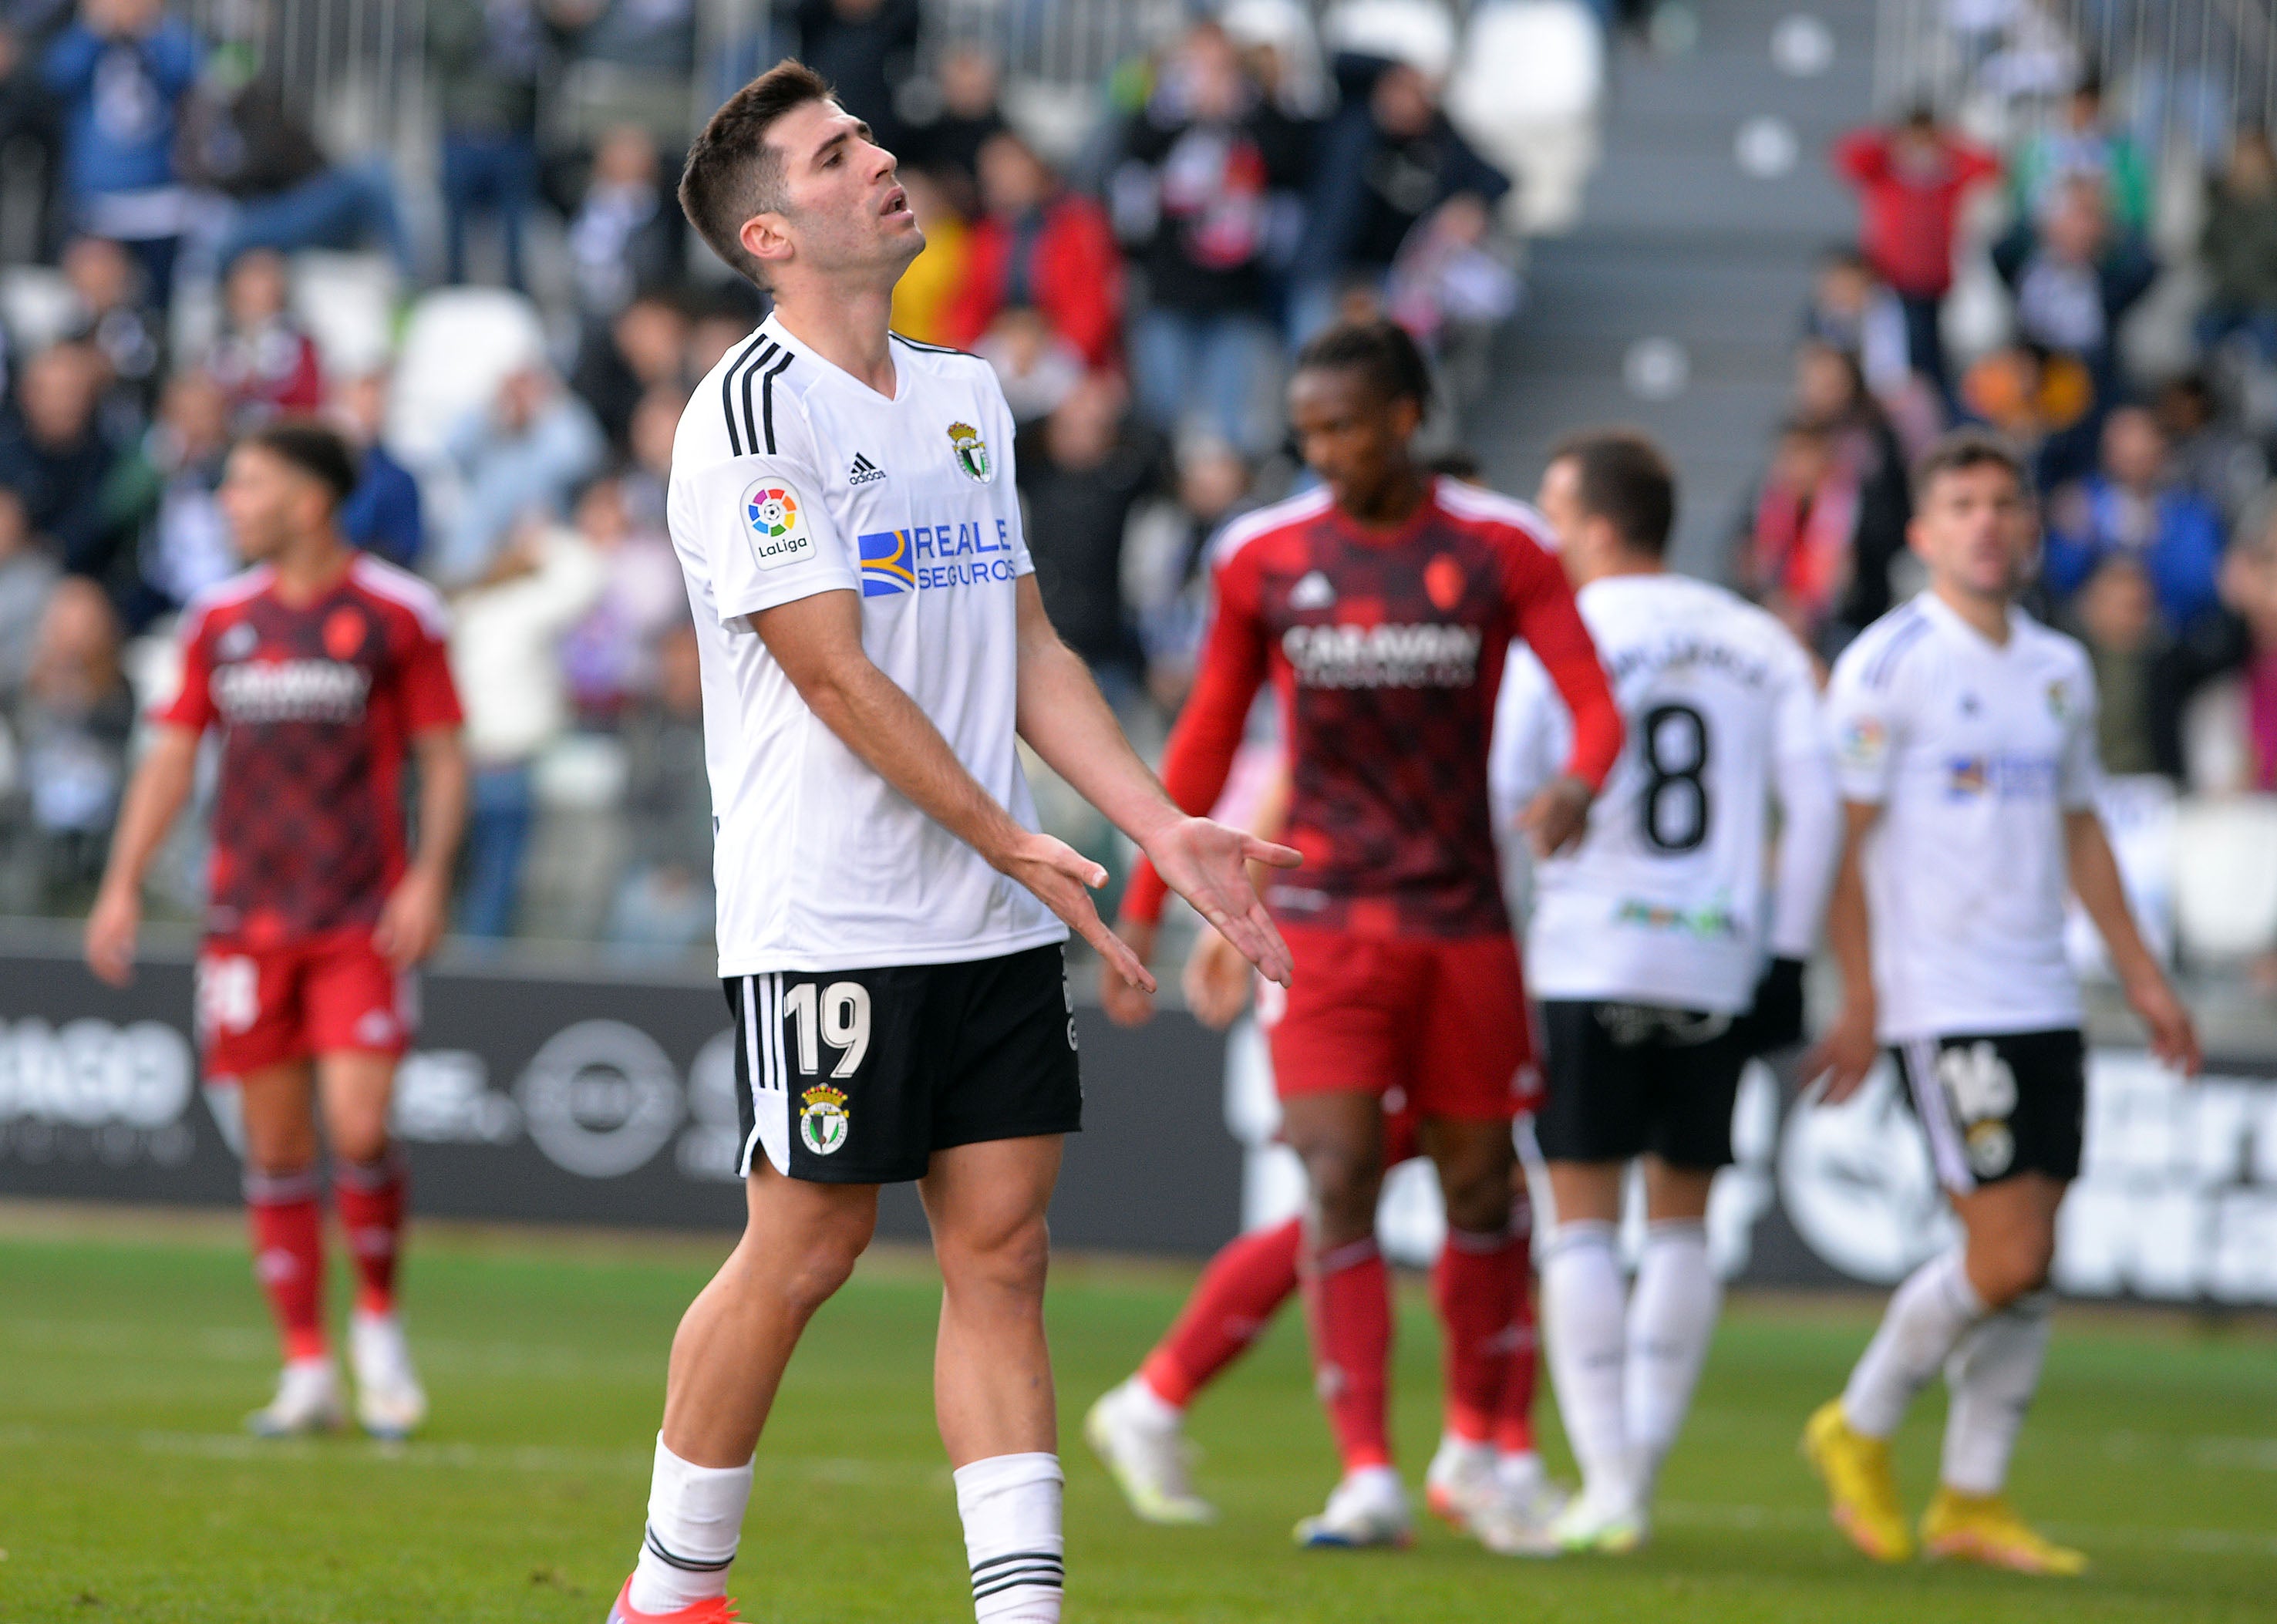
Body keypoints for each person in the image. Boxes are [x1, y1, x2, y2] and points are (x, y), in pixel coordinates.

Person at [607, 60, 1297, 1624]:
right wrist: (1013, 835)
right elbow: (832, 670)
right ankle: (668, 1595)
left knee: (1005, 1252)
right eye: (838, 153)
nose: (882, 159)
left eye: (868, 137)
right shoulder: (749, 417)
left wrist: (1159, 826)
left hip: (991, 909)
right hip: (832, 912)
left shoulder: (970, 394)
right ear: (771, 234)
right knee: (803, 1246)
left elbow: (1030, 644)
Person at [1100, 319, 1623, 1552]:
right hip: (1325, 918)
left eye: (1345, 425)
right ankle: (1368, 1474)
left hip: (1465, 920)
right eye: (1309, 429)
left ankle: (1484, 1451)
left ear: (1406, 416)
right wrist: (1141, 902)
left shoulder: (1501, 547)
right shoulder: (1261, 557)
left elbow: (1595, 700)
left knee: (1482, 1186)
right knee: (1335, 1174)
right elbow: (1210, 737)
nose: (1324, 449)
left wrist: (1580, 781)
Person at [1800, 430, 2201, 1575]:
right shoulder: (1889, 665)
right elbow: (1842, 845)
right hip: (1944, 996)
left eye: (2001, 504)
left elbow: (2082, 829)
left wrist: (2140, 971)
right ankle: (1859, 1423)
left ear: (2028, 529)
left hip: (2042, 990)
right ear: (1924, 534)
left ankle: (1971, 1497)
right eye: (1961, 503)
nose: (1985, 521)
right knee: (2009, 1252)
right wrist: (1864, 991)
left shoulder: (2058, 668)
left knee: (2037, 1252)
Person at [83, 419, 470, 1441]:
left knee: (359, 1125)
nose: (228, 501)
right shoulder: (218, 619)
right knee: (277, 1142)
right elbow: (170, 755)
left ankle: (378, 1319)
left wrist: (428, 879)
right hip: (245, 923)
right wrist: (121, 883)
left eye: (246, 484)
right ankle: (306, 1363)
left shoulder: (398, 611)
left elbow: (444, 754)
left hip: (358, 918)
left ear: (308, 501)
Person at [1489, 430, 1840, 1552]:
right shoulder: (1758, 639)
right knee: (1684, 1216)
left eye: (1552, 507)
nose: (1542, 531)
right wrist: (1786, 954)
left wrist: (1501, 946)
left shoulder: (1556, 635)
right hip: (1716, 956)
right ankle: (1637, 1464)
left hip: (1586, 954)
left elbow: (1506, 798)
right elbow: (1819, 805)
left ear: (1595, 523)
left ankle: (1610, 1484)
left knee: (1578, 1217)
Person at [1831, 106, 2000, 400]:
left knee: (1931, 359)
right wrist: (1891, 139)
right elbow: (1848, 156)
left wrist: (1947, 143)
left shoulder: (1947, 179)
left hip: (1935, 287)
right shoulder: (1887, 175)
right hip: (1889, 282)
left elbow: (1989, 167)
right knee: (1890, 357)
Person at [41, 0, 200, 300]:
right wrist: (96, 28)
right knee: (96, 298)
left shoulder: (166, 42)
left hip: (156, 203)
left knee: (158, 297)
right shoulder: (85, 43)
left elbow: (189, 67)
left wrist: (150, 26)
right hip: (96, 205)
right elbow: (55, 74)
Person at [942, 129, 1124, 372]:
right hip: (1000, 350)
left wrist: (1048, 348)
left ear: (1034, 166)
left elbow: (1093, 307)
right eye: (992, 170)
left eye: (1009, 165)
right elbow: (966, 305)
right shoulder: (984, 235)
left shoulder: (1079, 225)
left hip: (1065, 354)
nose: (1000, 177)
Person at [2043, 403, 2225, 637]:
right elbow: (2059, 578)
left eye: (2141, 445)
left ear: (2162, 448)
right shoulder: (2080, 502)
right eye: (2122, 444)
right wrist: (2079, 540)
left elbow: (2199, 584)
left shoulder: (2191, 513)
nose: (2132, 455)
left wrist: (2152, 552)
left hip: (2167, 638)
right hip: (2088, 634)